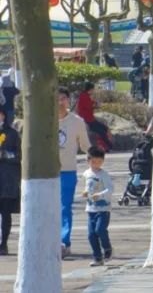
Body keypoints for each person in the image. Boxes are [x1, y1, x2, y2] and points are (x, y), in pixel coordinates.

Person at [58, 87, 92, 258]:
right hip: (46, 174)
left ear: (69, 100)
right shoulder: (44, 120)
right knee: (49, 208)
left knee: (64, 207)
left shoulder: (77, 122)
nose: (60, 102)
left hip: (67, 171)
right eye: (56, 99)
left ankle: (64, 242)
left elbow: (86, 145)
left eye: (63, 98)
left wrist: (94, 160)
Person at [81, 145, 113, 266]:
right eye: (93, 162)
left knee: (100, 230)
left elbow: (110, 189)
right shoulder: (86, 173)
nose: (96, 165)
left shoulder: (104, 174)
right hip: (90, 209)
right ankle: (97, 257)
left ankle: (107, 248)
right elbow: (88, 187)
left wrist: (100, 195)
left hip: (103, 209)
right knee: (91, 234)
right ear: (88, 160)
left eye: (99, 162)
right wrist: (85, 193)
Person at [0, 107, 20, 255]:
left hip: (7, 179)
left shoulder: (12, 133)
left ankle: (3, 243)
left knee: (5, 213)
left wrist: (5, 154)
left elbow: (19, 155)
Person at [75, 82, 111, 151]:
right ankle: (109, 146)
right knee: (102, 131)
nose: (93, 91)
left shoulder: (86, 95)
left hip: (91, 118)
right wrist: (96, 105)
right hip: (87, 119)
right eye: (92, 89)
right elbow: (89, 106)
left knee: (105, 128)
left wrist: (94, 102)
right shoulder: (84, 96)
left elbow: (91, 103)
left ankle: (108, 146)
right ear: (90, 89)